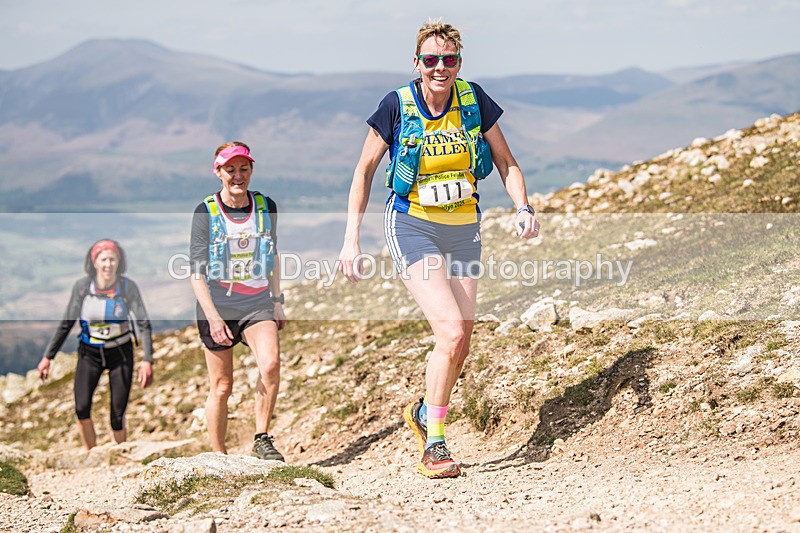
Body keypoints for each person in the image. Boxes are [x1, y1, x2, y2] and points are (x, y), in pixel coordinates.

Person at [339, 20, 540, 478]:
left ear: (459, 64)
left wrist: (523, 206)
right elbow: (364, 171)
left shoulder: (472, 100)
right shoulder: (397, 104)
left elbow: (506, 162)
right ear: (417, 63)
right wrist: (351, 239)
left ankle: (425, 411)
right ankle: (435, 444)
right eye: (431, 60)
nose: (440, 68)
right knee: (450, 332)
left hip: (464, 225)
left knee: (461, 342)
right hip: (412, 225)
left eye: (448, 60)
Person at [189, 141, 287, 461]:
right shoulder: (206, 211)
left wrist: (277, 300)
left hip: (256, 300)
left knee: (270, 364)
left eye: (244, 168)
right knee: (222, 386)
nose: (238, 175)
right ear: (218, 172)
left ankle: (261, 437)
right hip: (217, 303)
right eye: (230, 169)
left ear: (251, 170)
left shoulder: (265, 206)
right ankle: (219, 455)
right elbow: (197, 272)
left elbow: (272, 253)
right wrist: (214, 318)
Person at [37, 239, 154, 450]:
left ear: (119, 262)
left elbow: (144, 324)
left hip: (121, 353)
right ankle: (91, 454)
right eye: (103, 259)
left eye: (112, 259)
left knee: (117, 415)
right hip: (89, 353)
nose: (108, 264)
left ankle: (120, 457)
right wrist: (48, 357)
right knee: (82, 408)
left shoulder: (127, 287)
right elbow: (67, 323)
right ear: (94, 263)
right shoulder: (82, 288)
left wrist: (147, 360)